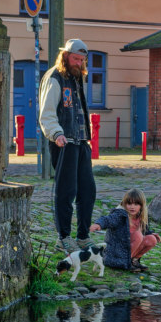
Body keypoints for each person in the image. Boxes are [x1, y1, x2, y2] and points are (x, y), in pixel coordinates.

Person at [40, 39, 98, 253]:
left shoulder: (77, 78)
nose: (79, 63)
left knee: (88, 190)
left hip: (81, 141)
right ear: (65, 56)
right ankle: (63, 237)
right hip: (63, 141)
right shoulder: (55, 78)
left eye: (82, 60)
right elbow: (46, 113)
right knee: (66, 191)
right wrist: (56, 134)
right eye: (75, 58)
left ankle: (83, 236)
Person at [90, 189, 158, 270]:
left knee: (152, 239)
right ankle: (125, 263)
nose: (132, 207)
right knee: (138, 236)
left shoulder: (141, 217)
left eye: (136, 204)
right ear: (124, 204)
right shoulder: (120, 215)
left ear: (141, 206)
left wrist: (151, 234)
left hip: (128, 253)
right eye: (129, 203)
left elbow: (145, 231)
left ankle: (133, 261)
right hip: (116, 255)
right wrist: (99, 224)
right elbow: (108, 219)